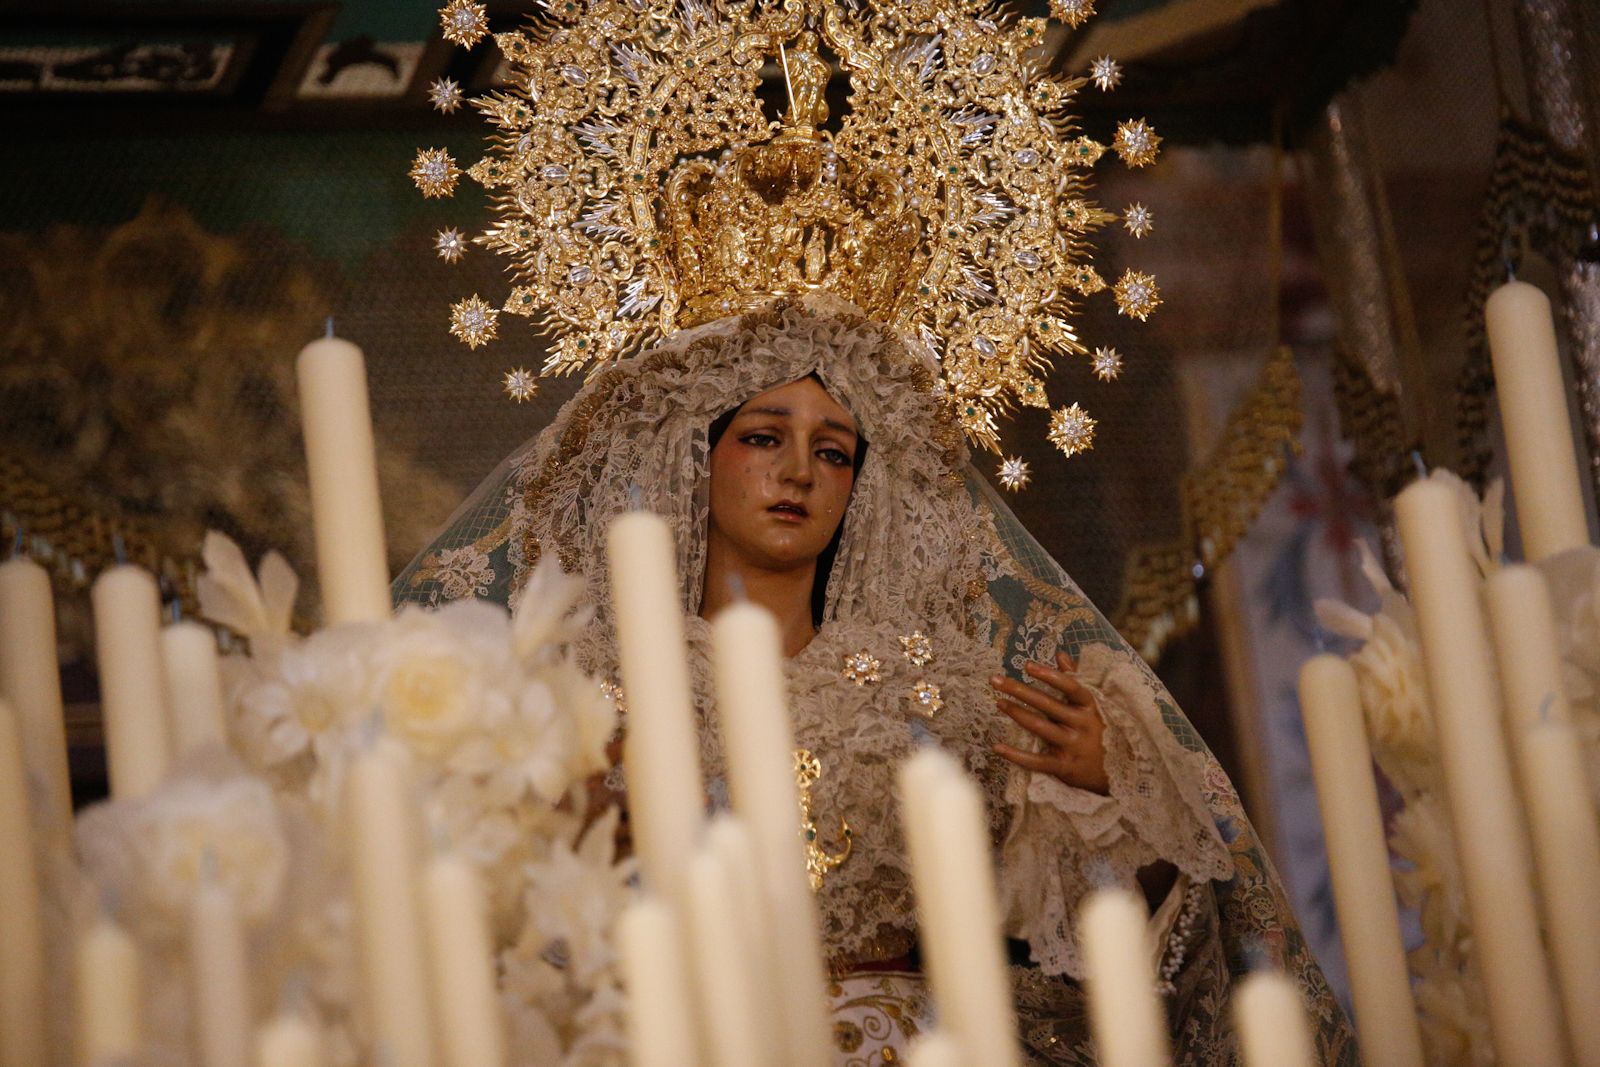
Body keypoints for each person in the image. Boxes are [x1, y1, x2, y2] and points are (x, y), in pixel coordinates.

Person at [396, 295, 1359, 1064]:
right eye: (765, 436)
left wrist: (1117, 790)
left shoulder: (939, 683)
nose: (800, 473)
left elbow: (1109, 946)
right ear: (700, 455)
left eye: (834, 451)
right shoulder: (584, 688)